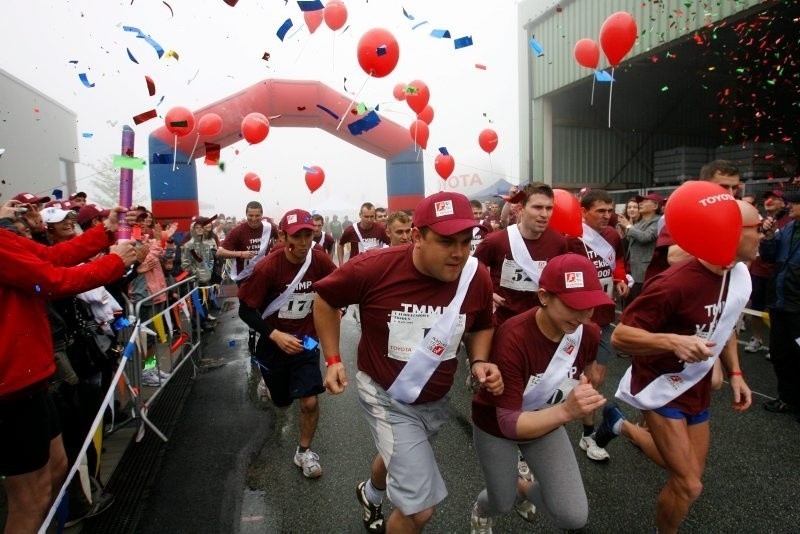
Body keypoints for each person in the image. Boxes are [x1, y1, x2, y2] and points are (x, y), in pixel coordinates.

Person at [314, 191, 503, 534]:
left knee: (396, 455)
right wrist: (333, 358)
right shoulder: (373, 268)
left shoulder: (476, 276)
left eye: (465, 241)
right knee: (419, 510)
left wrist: (478, 360)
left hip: (435, 397)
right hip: (385, 395)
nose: (459, 253)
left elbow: (482, 324)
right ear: (417, 236)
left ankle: (370, 493)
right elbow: (325, 300)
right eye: (446, 242)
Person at [601, 199, 757, 534]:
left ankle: (621, 427)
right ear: (730, 233)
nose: (763, 234)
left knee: (687, 476)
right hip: (660, 386)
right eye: (755, 229)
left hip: (696, 386)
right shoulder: (676, 282)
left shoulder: (738, 274)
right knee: (689, 485)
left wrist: (736, 373)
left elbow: (725, 324)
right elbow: (622, 336)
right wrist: (674, 341)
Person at [0, 199, 138, 533]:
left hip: (33, 379)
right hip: (10, 387)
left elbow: (47, 257)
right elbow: (50, 280)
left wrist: (103, 233)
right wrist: (112, 263)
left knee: (58, 467)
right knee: (29, 498)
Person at [470, 253, 614, 533]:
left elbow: (582, 371)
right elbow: (509, 423)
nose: (584, 315)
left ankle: (522, 488)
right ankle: (481, 509)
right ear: (544, 296)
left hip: (545, 420)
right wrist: (567, 411)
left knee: (573, 517)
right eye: (575, 305)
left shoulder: (588, 333)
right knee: (501, 502)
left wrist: (584, 387)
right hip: (497, 426)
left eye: (591, 306)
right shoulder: (513, 337)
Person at [238, 209, 337, 478]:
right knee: (281, 403)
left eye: (308, 234)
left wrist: (337, 306)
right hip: (273, 345)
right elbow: (245, 311)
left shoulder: (319, 259)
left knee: (309, 402)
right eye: (297, 236)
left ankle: (304, 452)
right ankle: (268, 382)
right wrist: (274, 334)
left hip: (306, 343)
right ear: (283, 236)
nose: (304, 242)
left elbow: (338, 285)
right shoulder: (268, 267)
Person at [567, 189, 629, 462]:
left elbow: (615, 261)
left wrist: (619, 278)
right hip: (574, 320)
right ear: (583, 211)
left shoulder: (614, 235)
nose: (607, 216)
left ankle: (588, 434)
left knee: (596, 378)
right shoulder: (571, 238)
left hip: (602, 318)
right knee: (561, 378)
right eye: (600, 211)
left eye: (609, 210)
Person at [474, 182, 568, 326]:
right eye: (537, 207)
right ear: (520, 209)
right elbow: (472, 270)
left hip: (541, 324)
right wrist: (488, 293)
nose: (544, 214)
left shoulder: (559, 242)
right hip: (503, 323)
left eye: (549, 208)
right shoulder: (496, 241)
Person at [645, 160, 741, 281]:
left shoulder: (738, 212)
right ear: (704, 185)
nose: (731, 193)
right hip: (675, 289)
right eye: (724, 186)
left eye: (735, 188)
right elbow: (673, 257)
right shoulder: (686, 211)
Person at [217, 201, 278, 354]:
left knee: (266, 306)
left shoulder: (269, 228)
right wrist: (240, 254)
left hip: (265, 274)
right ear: (246, 215)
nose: (254, 219)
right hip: (245, 278)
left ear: (262, 215)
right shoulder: (238, 231)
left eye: (257, 216)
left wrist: (277, 249)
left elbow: (282, 237)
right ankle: (253, 332)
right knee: (249, 309)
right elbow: (220, 252)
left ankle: (267, 337)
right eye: (251, 215)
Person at [759, 191, 800, 414]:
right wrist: (768, 236)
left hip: (797, 307)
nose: (789, 205)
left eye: (795, 202)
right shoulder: (786, 229)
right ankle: (787, 398)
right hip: (780, 303)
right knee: (780, 353)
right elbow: (768, 257)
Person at [746, 189, 789, 358]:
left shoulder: (789, 222)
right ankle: (756, 338)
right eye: (766, 198)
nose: (769, 201)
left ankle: (775, 343)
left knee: (776, 310)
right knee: (756, 307)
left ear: (783, 202)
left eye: (774, 198)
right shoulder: (760, 222)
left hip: (778, 273)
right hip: (758, 271)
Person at [618, 193, 662, 304]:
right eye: (640, 201)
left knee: (641, 303)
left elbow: (646, 237)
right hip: (631, 270)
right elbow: (630, 238)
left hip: (644, 273)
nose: (640, 203)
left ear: (655, 206)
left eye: (645, 201)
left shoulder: (658, 221)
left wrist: (628, 226)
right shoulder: (639, 222)